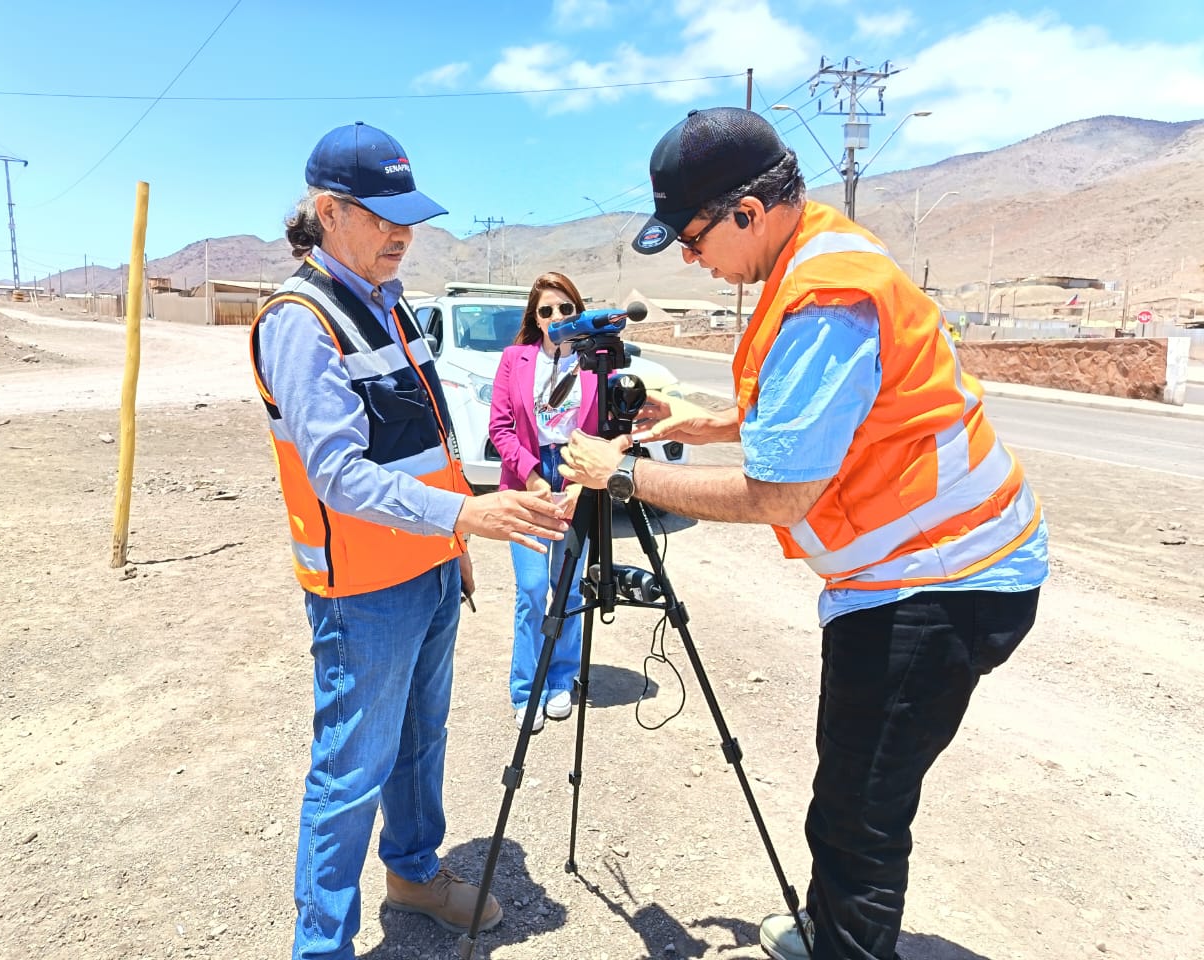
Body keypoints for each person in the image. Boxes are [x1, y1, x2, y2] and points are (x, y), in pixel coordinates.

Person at [560, 107, 1048, 960]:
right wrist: (701, 421)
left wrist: (621, 475)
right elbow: (815, 417)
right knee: (848, 791)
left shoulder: (825, 296)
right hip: (917, 575)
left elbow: (781, 495)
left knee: (862, 809)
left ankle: (848, 946)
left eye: (694, 236)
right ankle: (828, 930)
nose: (689, 256)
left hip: (940, 586)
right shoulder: (814, 258)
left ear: (748, 213)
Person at [249, 120, 569, 960]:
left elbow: (427, 442)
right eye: (384, 215)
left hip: (429, 570)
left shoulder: (393, 308)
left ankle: (415, 873)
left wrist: (454, 536)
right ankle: (322, 945)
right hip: (361, 589)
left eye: (409, 216)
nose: (404, 233)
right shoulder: (301, 320)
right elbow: (339, 476)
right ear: (329, 210)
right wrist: (467, 518)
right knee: (351, 770)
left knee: (424, 739)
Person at [488, 272, 596, 732]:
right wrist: (532, 477)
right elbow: (500, 427)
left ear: (578, 310)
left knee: (568, 588)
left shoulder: (596, 361)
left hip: (577, 474)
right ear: (535, 317)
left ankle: (561, 680)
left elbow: (608, 429)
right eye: (546, 311)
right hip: (527, 476)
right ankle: (525, 688)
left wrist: (580, 483)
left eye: (565, 309)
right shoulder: (515, 359)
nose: (556, 318)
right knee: (533, 589)